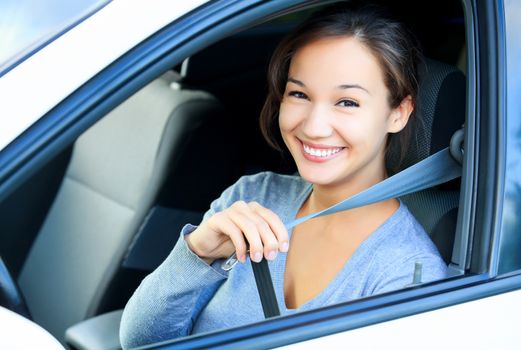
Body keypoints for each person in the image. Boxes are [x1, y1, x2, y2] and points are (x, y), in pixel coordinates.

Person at [119, 3, 447, 348]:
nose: (314, 126)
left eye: (347, 102)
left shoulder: (406, 275)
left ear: (398, 113)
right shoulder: (252, 198)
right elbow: (141, 340)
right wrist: (197, 253)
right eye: (299, 94)